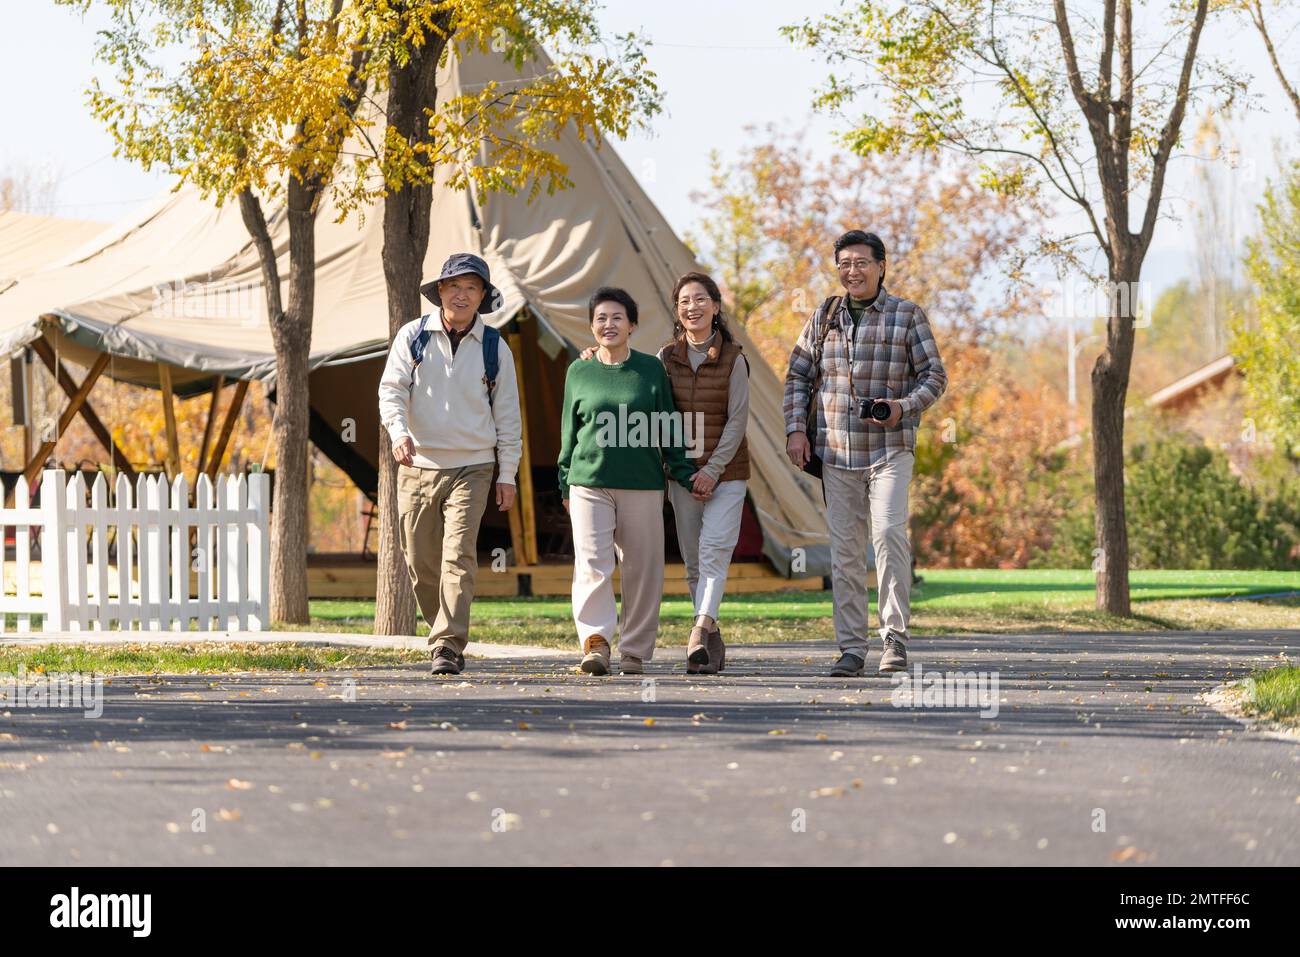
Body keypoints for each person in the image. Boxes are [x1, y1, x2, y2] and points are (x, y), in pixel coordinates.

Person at [783, 230, 947, 676]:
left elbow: (935, 376)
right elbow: (797, 375)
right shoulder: (823, 316)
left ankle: (893, 640)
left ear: (881, 267)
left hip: (890, 449)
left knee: (889, 536)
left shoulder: (907, 315)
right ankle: (851, 649)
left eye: (860, 263)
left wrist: (902, 407)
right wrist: (797, 430)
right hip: (835, 451)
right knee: (845, 552)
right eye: (844, 264)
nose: (852, 271)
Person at [377, 253, 523, 675]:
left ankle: (448, 645)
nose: (462, 295)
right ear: (440, 292)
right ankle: (441, 629)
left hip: (474, 466)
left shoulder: (495, 347)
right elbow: (392, 390)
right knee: (420, 562)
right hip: (418, 462)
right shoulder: (413, 336)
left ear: (482, 296)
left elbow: (508, 416)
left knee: (458, 556)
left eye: (471, 288)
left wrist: (507, 473)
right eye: (454, 286)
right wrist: (398, 432)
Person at [558, 286, 698, 676]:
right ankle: (596, 643)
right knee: (592, 564)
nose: (608, 324)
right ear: (591, 325)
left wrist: (682, 472)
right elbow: (570, 430)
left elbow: (668, 425)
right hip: (589, 482)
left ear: (632, 325)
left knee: (643, 566)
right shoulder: (579, 370)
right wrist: (563, 479)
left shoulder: (650, 369)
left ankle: (634, 650)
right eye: (600, 318)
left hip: (642, 482)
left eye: (617, 317)